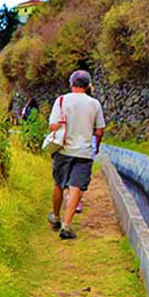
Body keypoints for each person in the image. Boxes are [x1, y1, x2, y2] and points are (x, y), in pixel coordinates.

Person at [47, 70, 105, 240]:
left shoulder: (62, 100)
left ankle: (56, 218)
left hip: (63, 149)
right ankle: (66, 226)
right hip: (84, 152)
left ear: (71, 84)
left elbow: (52, 126)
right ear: (88, 86)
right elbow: (100, 131)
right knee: (76, 187)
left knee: (59, 184)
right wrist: (97, 147)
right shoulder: (94, 104)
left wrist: (64, 125)